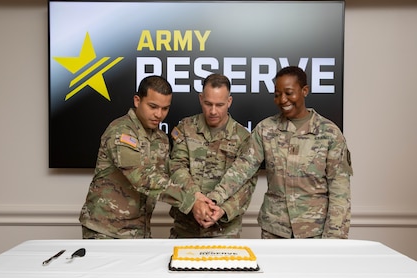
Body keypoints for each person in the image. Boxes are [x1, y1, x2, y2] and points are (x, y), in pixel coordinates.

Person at [206, 66, 353, 239]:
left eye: (289, 93)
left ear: (305, 90)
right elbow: (241, 169)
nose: (283, 100)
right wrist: (214, 199)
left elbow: (340, 193)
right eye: (277, 94)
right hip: (274, 232)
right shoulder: (265, 129)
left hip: (315, 234)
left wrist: (334, 240)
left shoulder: (329, 134)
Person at [79, 75, 211, 239]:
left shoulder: (161, 138)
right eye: (153, 106)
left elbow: (166, 178)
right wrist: (190, 202)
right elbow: (142, 177)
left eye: (165, 108)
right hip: (106, 231)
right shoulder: (121, 131)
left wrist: (198, 196)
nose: (159, 114)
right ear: (137, 101)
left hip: (139, 232)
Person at [167, 73, 258, 238]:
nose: (213, 111)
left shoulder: (243, 137)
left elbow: (247, 184)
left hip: (224, 231)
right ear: (201, 99)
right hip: (185, 229)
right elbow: (176, 167)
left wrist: (223, 210)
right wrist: (196, 199)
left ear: (229, 102)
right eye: (208, 104)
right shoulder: (185, 128)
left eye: (220, 104)